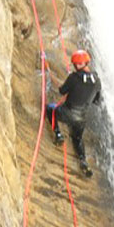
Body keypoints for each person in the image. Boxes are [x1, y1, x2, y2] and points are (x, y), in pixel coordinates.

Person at [43, 49, 101, 178]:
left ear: (77, 65)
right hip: (81, 119)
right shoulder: (97, 80)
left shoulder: (73, 77)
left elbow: (62, 91)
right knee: (78, 138)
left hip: (67, 113)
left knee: (50, 109)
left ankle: (58, 134)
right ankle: (83, 160)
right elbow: (97, 101)